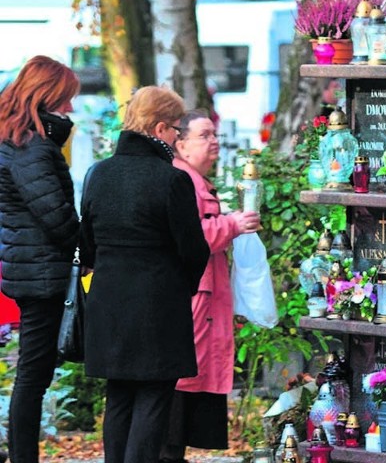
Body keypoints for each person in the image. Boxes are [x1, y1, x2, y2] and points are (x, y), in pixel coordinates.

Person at [79, 87, 210, 463]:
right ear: (157, 128)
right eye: (174, 130)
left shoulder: (98, 174)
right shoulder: (171, 179)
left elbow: (85, 243)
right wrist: (181, 285)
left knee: (118, 395)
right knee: (154, 396)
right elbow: (193, 248)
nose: (176, 138)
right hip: (157, 301)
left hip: (108, 299)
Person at [159, 110, 260, 463]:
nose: (213, 141)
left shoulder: (195, 180)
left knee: (192, 378)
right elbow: (192, 238)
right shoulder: (181, 179)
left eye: (214, 134)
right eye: (204, 135)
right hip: (195, 299)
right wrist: (231, 224)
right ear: (180, 143)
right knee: (183, 379)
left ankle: (175, 453)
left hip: (206, 296)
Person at [0, 55, 80, 463]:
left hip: (28, 267)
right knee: (33, 375)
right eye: (66, 100)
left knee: (33, 373)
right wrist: (85, 240)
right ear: (46, 96)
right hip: (42, 272)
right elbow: (56, 216)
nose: (70, 109)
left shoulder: (16, 140)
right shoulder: (31, 148)